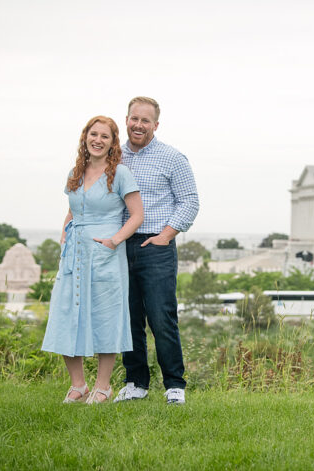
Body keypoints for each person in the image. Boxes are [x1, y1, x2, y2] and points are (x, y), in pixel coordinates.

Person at [41, 116, 144, 404]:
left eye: (105, 136)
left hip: (106, 256)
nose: (97, 140)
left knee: (104, 316)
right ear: (85, 137)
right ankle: (78, 385)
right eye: (93, 134)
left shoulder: (120, 174)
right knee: (66, 313)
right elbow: (73, 210)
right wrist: (64, 234)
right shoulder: (76, 172)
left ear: (113, 143)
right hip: (74, 254)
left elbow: (137, 215)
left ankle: (103, 386)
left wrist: (114, 240)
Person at [113, 97, 199, 405]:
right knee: (129, 317)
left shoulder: (173, 158)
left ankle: (174, 384)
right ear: (126, 120)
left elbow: (189, 202)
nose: (138, 125)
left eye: (145, 120)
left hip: (156, 246)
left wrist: (165, 236)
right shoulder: (115, 156)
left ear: (156, 125)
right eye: (134, 118)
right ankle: (136, 382)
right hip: (121, 246)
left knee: (162, 317)